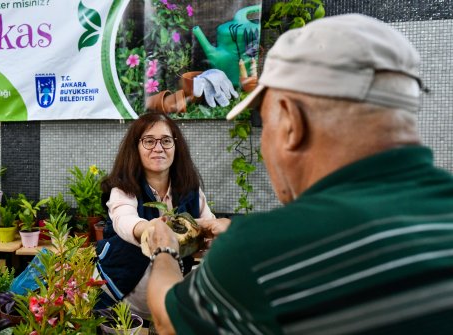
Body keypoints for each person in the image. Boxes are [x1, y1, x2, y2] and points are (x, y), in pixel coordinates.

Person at [146, 14, 453, 334]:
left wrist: (164, 249)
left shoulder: (259, 251)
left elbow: (168, 321)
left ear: (291, 122)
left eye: (265, 122)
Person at [95, 112, 230, 318]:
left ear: (176, 147)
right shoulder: (124, 189)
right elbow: (124, 221)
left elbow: (207, 228)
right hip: (117, 301)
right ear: (136, 148)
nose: (158, 148)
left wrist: (212, 239)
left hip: (166, 304)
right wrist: (151, 229)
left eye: (166, 141)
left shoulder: (190, 190)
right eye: (149, 141)